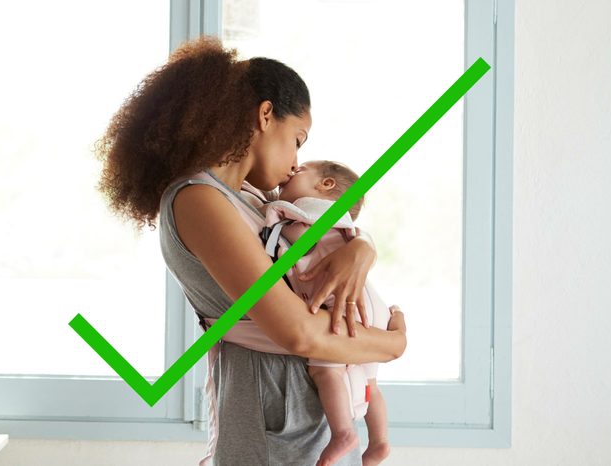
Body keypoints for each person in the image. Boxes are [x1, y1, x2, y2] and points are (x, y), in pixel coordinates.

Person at [95, 36, 407, 466]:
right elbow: (296, 331)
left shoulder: (251, 199)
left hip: (309, 424)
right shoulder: (198, 199)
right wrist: (393, 345)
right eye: (298, 139)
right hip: (274, 434)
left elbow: (326, 231)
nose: (298, 160)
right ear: (265, 115)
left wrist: (362, 247)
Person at [259, 160, 396, 466]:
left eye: (303, 168)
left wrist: (275, 223)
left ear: (326, 186)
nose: (293, 168)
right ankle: (380, 440)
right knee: (369, 382)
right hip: (371, 304)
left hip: (344, 304)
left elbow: (298, 239)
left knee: (326, 370)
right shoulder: (342, 221)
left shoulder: (310, 210)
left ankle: (343, 433)